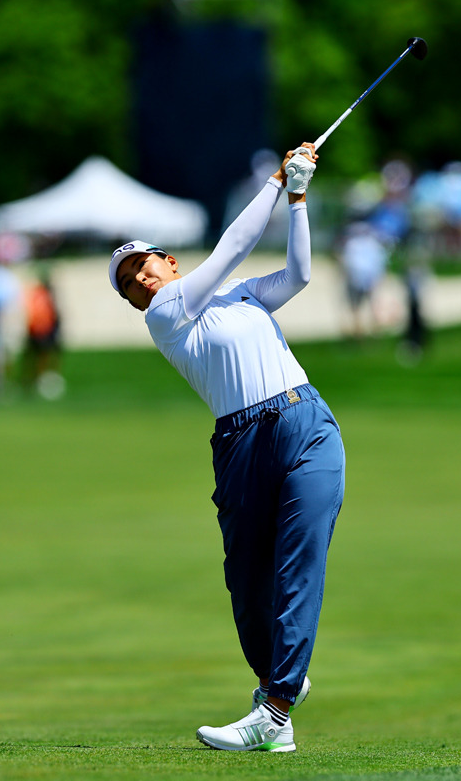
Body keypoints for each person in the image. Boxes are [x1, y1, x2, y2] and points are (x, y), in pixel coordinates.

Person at [109, 143, 345, 753]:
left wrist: (297, 200)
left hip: (305, 423)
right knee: (246, 581)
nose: (137, 278)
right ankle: (278, 690)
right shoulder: (166, 316)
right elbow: (233, 246)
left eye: (141, 264)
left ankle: (275, 707)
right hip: (241, 444)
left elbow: (298, 276)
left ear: (167, 259)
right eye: (127, 282)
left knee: (299, 565)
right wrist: (273, 181)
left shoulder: (238, 294)